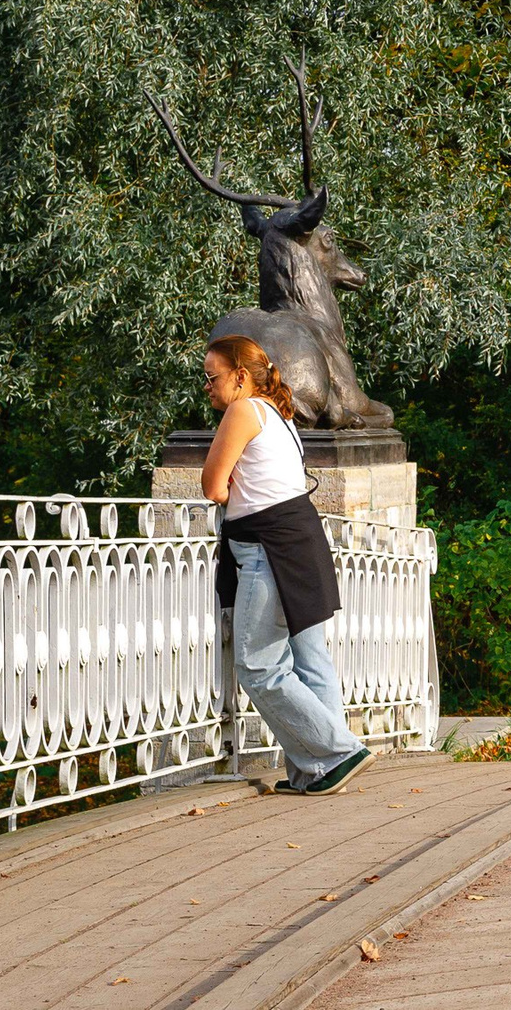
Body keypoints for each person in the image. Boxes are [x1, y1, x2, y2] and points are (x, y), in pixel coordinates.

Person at [201, 334, 373, 795]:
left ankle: (339, 753)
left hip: (269, 548)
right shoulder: (280, 415)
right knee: (311, 660)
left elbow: (213, 487)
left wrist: (233, 487)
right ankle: (316, 771)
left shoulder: (243, 411)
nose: (207, 386)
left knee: (259, 666)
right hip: (301, 540)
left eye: (212, 377)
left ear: (240, 376)